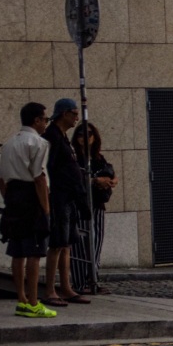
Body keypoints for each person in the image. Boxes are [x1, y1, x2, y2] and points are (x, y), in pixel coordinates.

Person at [0, 102, 56, 318]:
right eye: (45, 119)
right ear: (37, 120)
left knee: (18, 251)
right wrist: (46, 210)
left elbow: (0, 178)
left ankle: (21, 298)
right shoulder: (38, 143)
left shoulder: (9, 143)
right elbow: (39, 178)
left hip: (13, 196)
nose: (46, 124)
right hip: (31, 197)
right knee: (35, 251)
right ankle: (33, 301)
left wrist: (9, 199)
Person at [42, 97, 90, 306]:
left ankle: (66, 286)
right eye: (74, 113)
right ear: (64, 114)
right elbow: (48, 168)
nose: (77, 117)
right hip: (60, 196)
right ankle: (51, 289)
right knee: (57, 243)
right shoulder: (52, 137)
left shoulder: (62, 137)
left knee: (67, 243)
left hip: (69, 196)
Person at [71, 121, 117, 295]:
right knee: (79, 245)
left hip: (97, 204)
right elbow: (73, 179)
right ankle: (79, 282)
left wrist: (112, 180)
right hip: (80, 205)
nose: (85, 137)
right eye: (81, 134)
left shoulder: (97, 157)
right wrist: (94, 181)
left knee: (96, 244)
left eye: (89, 134)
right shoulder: (73, 157)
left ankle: (93, 280)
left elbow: (109, 172)